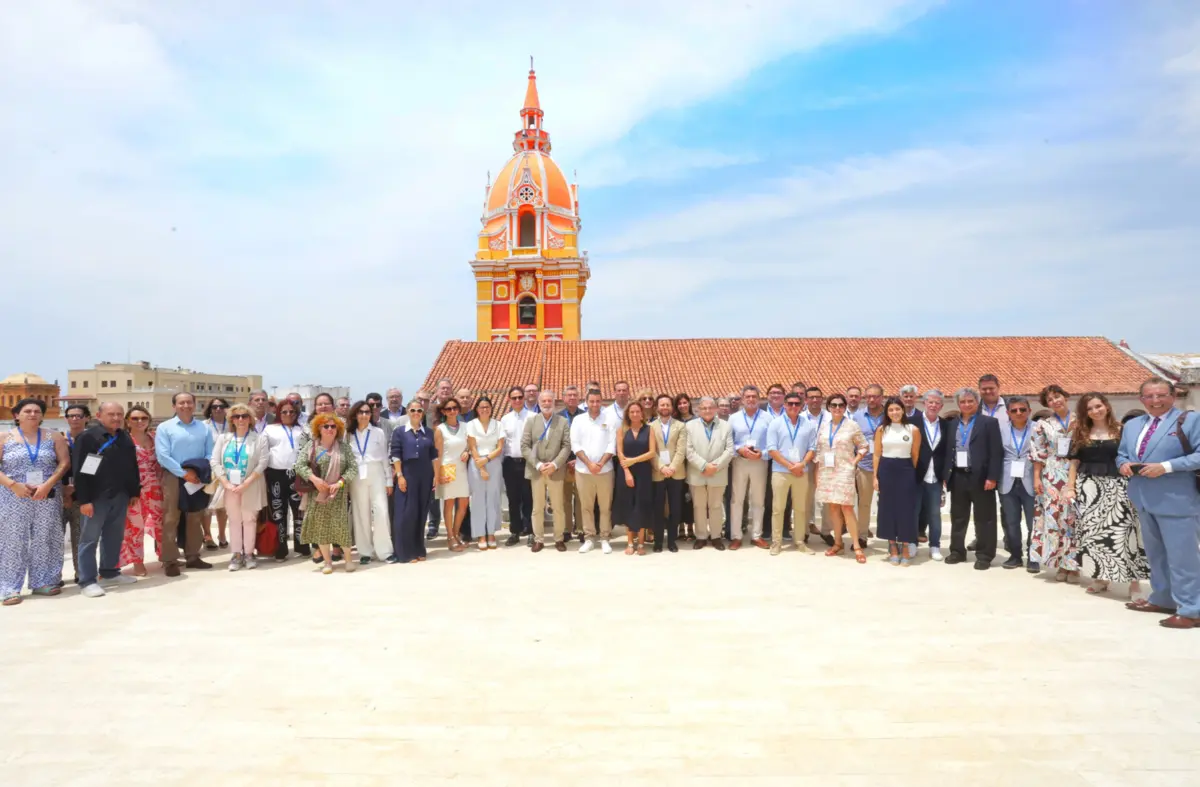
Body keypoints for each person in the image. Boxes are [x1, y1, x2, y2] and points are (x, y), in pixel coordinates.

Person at [1117, 377, 1200, 628]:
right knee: (1157, 555)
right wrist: (1123, 464)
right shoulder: (1132, 425)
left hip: (1177, 500)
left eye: (1162, 395)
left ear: (1173, 396)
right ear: (1141, 399)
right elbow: (1122, 453)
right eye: (1150, 396)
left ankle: (1192, 609)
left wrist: (1166, 466)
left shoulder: (1190, 420)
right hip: (1143, 498)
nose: (1156, 400)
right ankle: (1163, 598)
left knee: (1183, 558)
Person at [1066, 392, 1148, 597]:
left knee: (1125, 534)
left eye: (1098, 406)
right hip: (1089, 489)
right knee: (1094, 535)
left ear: (1107, 406)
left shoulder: (1122, 430)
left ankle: (1134, 583)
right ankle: (1101, 578)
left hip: (1119, 486)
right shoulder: (1079, 432)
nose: (1095, 411)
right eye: (1090, 408)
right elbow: (1074, 462)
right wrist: (1070, 487)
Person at [0, 398, 70, 604]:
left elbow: (64, 463)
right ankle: (9, 587)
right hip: (13, 496)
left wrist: (48, 484)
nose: (32, 414)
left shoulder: (53, 436)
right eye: (27, 411)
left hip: (46, 495)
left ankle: (43, 581)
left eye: (37, 411)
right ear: (17, 415)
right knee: (12, 540)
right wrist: (14, 485)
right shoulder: (4, 437)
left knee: (46, 536)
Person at [70, 402, 141, 597]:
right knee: (89, 539)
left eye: (119, 414)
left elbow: (132, 466)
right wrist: (84, 500)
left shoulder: (124, 436)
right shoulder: (88, 437)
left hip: (120, 495)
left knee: (114, 536)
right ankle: (87, 580)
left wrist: (134, 491)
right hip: (95, 497)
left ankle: (110, 572)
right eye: (111, 414)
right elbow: (80, 471)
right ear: (99, 415)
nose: (116, 418)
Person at [943, 388, 1004, 570]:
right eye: (963, 401)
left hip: (981, 477)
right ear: (958, 404)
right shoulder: (952, 424)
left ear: (977, 403)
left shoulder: (989, 423)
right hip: (958, 475)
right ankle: (957, 551)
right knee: (958, 516)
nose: (967, 404)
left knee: (985, 517)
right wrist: (946, 475)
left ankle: (985, 555)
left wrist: (992, 477)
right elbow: (947, 451)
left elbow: (996, 452)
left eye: (970, 401)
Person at [155, 392, 214, 575]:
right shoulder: (165, 427)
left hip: (197, 477)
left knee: (195, 516)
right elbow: (163, 455)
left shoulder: (204, 428)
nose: (186, 406)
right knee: (171, 517)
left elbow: (210, 453)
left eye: (189, 402)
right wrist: (183, 473)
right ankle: (170, 560)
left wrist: (197, 471)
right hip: (174, 476)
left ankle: (193, 556)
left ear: (194, 405)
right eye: (181, 403)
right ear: (174, 406)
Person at [293, 413, 356, 574]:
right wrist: (314, 479)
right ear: (319, 429)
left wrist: (340, 483)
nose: (330, 429)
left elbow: (353, 468)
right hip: (317, 493)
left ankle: (348, 560)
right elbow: (299, 465)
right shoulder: (311, 446)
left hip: (338, 495)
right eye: (325, 426)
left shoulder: (344, 447)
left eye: (333, 426)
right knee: (321, 529)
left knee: (341, 527)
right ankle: (328, 562)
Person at [209, 403, 269, 571]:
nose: (240, 419)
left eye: (244, 416)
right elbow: (214, 461)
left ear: (250, 419)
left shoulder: (259, 439)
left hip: (251, 485)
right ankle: (236, 554)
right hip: (229, 487)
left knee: (249, 520)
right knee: (234, 521)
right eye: (237, 416)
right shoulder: (224, 439)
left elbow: (263, 462)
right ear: (232, 420)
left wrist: (246, 483)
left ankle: (249, 554)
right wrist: (225, 483)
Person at [813, 393, 870, 563]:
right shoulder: (824, 427)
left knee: (847, 508)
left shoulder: (852, 425)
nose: (837, 408)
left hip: (844, 471)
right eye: (833, 405)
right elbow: (819, 450)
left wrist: (854, 461)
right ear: (828, 407)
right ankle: (838, 543)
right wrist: (817, 473)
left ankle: (856, 546)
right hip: (826, 471)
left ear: (845, 407)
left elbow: (864, 446)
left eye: (840, 405)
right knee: (833, 508)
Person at [1030, 384, 1078, 582]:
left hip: (1077, 471)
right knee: (1054, 518)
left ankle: (1073, 565)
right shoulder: (1043, 425)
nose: (1055, 401)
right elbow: (1038, 453)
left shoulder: (1081, 420)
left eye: (1057, 396)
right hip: (1052, 473)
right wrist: (1036, 478)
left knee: (1073, 519)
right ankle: (1059, 563)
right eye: (1050, 399)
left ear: (1065, 397)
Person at [765, 391, 817, 556]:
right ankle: (776, 542)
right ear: (785, 405)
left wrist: (801, 464)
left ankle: (800, 541)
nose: (793, 406)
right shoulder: (775, 424)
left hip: (801, 471)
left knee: (800, 508)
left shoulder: (808, 425)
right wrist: (790, 466)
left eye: (797, 403)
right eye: (790, 403)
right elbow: (772, 449)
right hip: (780, 472)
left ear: (802, 405)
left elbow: (812, 448)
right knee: (778, 508)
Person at [521, 390, 572, 552]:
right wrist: (538, 465)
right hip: (537, 471)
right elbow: (524, 446)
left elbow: (566, 446)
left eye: (550, 401)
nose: (547, 403)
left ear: (554, 403)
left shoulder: (562, 422)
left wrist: (555, 464)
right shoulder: (531, 421)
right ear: (539, 402)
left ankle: (559, 538)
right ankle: (539, 539)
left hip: (555, 470)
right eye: (543, 401)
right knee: (537, 507)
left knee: (558, 507)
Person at [873, 397, 920, 565]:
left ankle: (906, 545)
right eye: (891, 410)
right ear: (887, 412)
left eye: (897, 409)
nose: (894, 413)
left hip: (906, 469)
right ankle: (892, 546)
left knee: (906, 509)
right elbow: (877, 454)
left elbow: (915, 455)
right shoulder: (881, 430)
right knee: (888, 508)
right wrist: (875, 477)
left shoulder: (912, 429)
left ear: (903, 410)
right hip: (886, 469)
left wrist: (908, 471)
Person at [347, 400, 393, 564]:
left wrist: (389, 480)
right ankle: (365, 552)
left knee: (381, 511)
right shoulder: (348, 434)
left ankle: (385, 551)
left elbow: (385, 457)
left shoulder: (378, 432)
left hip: (376, 473)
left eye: (367, 412)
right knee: (361, 514)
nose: (364, 415)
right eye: (361, 412)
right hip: (356, 475)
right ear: (355, 415)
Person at [391, 401, 437, 564]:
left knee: (421, 512)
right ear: (408, 412)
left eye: (419, 410)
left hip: (425, 475)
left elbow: (434, 456)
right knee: (406, 513)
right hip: (407, 475)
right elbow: (395, 454)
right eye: (413, 410)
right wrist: (400, 475)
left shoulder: (429, 433)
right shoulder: (399, 432)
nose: (416, 412)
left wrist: (436, 476)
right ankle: (405, 552)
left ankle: (419, 549)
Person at [571, 389, 617, 554]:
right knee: (586, 507)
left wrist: (600, 464)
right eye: (592, 401)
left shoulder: (609, 419)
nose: (595, 404)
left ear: (601, 401)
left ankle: (605, 538)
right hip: (583, 471)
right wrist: (590, 464)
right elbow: (575, 444)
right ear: (586, 402)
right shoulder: (578, 420)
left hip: (605, 470)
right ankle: (589, 538)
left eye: (598, 401)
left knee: (605, 507)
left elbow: (612, 444)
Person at [685, 397, 734, 550]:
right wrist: (704, 466)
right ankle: (701, 536)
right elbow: (688, 450)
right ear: (698, 410)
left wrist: (715, 466)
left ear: (716, 409)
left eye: (710, 407)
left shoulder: (725, 426)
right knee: (698, 506)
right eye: (704, 408)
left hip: (718, 472)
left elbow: (729, 450)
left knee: (716, 506)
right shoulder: (690, 426)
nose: (707, 410)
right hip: (697, 472)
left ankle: (716, 536)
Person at [120, 406, 163, 577]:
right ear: (127, 421)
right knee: (135, 527)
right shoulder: (123, 440)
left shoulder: (155, 438)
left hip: (158, 488)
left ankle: (165, 556)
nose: (140, 421)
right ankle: (138, 562)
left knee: (162, 524)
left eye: (144, 418)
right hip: (135, 491)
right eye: (135, 418)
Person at [728, 385, 771, 550]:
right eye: (748, 396)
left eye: (754, 396)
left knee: (758, 500)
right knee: (737, 500)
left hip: (760, 462)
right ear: (742, 399)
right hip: (740, 462)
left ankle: (756, 535)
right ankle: (736, 536)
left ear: (759, 399)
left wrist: (762, 453)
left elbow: (772, 443)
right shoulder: (734, 418)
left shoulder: (767, 418)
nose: (751, 399)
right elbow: (729, 441)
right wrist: (739, 449)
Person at [263, 401, 307, 560]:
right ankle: (280, 549)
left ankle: (302, 546)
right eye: (284, 412)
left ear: (296, 414)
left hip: (297, 474)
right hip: (275, 474)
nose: (288, 415)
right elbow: (263, 452)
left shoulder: (303, 430)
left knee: (299, 511)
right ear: (278, 413)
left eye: (292, 412)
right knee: (278, 512)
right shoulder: (269, 429)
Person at [998, 396, 1037, 570]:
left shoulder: (1038, 428)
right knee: (1011, 521)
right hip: (1007, 480)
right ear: (1008, 413)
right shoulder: (1000, 429)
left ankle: (1033, 557)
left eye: (1022, 409)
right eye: (1014, 410)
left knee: (1033, 522)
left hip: (1031, 480)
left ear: (1029, 411)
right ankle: (1015, 556)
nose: (1018, 413)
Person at [616, 400, 658, 556]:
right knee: (629, 506)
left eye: (637, 412)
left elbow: (652, 452)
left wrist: (633, 460)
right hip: (625, 472)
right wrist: (627, 472)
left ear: (642, 414)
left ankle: (640, 543)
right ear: (628, 414)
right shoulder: (622, 430)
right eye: (632, 412)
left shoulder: (649, 429)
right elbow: (620, 453)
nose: (634, 414)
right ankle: (629, 543)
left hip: (643, 472)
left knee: (641, 506)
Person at [466, 396, 504, 550]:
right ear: (477, 409)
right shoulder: (471, 425)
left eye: (487, 406)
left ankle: (491, 533)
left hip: (493, 462)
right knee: (478, 499)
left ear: (491, 408)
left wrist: (487, 459)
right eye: (481, 407)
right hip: (476, 463)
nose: (484, 409)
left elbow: (500, 447)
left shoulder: (498, 424)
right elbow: (472, 447)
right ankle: (480, 534)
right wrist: (481, 467)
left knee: (493, 498)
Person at [915, 390, 949, 561]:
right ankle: (911, 543)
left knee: (934, 514)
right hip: (916, 475)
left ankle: (935, 545)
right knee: (913, 512)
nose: (933, 405)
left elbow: (947, 452)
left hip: (935, 476)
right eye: (930, 402)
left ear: (941, 406)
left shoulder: (946, 425)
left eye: (937, 403)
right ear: (924, 403)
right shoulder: (913, 423)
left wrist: (946, 476)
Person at [650, 394, 687, 553]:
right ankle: (658, 541)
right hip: (658, 473)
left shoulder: (680, 426)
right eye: (662, 405)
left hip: (676, 472)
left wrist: (672, 467)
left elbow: (681, 450)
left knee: (675, 508)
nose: (665, 407)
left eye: (667, 405)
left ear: (672, 407)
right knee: (658, 508)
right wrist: (661, 467)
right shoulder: (650, 426)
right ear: (657, 407)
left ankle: (672, 540)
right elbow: (651, 451)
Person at [850, 384, 885, 548]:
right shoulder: (857, 417)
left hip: (887, 466)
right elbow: (852, 440)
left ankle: (892, 536)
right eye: (868, 396)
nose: (872, 399)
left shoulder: (890, 414)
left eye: (875, 396)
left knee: (890, 503)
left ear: (881, 397)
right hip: (865, 466)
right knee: (864, 503)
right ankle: (862, 536)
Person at [434, 397, 471, 552]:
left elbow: (470, 444)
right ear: (443, 411)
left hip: (462, 468)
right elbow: (437, 454)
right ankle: (450, 537)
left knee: (463, 503)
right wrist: (437, 475)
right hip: (447, 468)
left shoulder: (466, 426)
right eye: (448, 409)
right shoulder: (440, 429)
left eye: (455, 408)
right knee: (449, 504)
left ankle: (456, 533)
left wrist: (468, 452)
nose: (452, 411)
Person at [500, 386, 533, 546]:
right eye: (514, 398)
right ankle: (515, 531)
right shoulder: (505, 420)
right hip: (510, 463)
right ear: (509, 400)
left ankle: (531, 531)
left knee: (529, 498)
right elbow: (502, 444)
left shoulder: (533, 417)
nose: (517, 400)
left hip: (528, 463)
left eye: (520, 397)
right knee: (513, 499)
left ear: (524, 398)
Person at [61, 403, 90, 584]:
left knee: (80, 537)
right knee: (55, 538)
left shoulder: (92, 440)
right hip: (59, 495)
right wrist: (64, 490)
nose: (75, 419)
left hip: (82, 496)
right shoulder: (58, 440)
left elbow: (93, 465)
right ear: (66, 419)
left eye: (79, 416)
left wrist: (78, 487)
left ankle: (81, 573)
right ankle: (53, 576)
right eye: (71, 416)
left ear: (87, 418)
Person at [202, 397, 230, 550]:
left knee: (222, 504)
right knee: (207, 505)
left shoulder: (232, 424)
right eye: (214, 407)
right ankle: (207, 535)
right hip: (209, 470)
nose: (218, 409)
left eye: (221, 406)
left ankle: (222, 534)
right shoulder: (203, 426)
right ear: (210, 409)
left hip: (227, 470)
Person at [801, 386, 828, 544]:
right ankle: (804, 530)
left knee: (827, 497)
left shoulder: (830, 416)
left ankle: (826, 531)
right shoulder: (800, 417)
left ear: (822, 399)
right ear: (806, 400)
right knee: (806, 497)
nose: (815, 400)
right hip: (807, 460)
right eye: (811, 397)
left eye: (818, 397)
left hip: (826, 461)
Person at [559, 385, 586, 542]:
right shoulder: (558, 417)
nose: (572, 398)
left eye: (575, 395)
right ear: (564, 398)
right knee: (565, 499)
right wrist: (565, 460)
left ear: (579, 398)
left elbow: (588, 440)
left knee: (581, 499)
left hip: (581, 462)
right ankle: (567, 529)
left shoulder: (584, 416)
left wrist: (578, 459)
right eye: (569, 395)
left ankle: (581, 529)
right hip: (563, 463)